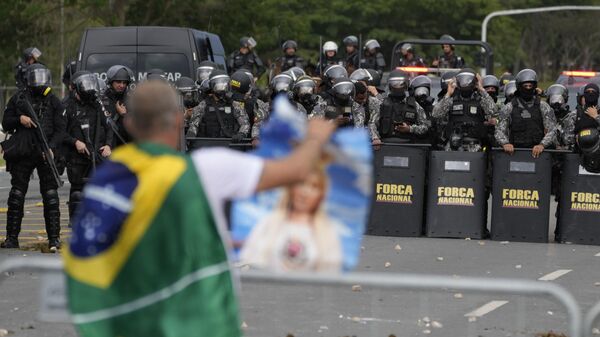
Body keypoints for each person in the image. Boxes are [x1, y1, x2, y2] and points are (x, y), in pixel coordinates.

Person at [63, 80, 337, 337]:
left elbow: (88, 256)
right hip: (196, 323)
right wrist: (315, 136)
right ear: (180, 118)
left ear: (130, 123)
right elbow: (296, 170)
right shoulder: (205, 168)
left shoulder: (109, 177)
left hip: (134, 321)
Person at [1, 64, 65, 250]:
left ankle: (54, 238)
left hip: (45, 151)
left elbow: (61, 129)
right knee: (16, 194)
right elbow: (6, 123)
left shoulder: (54, 101)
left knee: (51, 195)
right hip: (24, 151)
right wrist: (19, 119)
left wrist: (51, 148)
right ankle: (12, 238)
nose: (39, 82)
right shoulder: (19, 99)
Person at [240, 165, 342, 272]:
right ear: (291, 188)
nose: (305, 193)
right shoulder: (269, 222)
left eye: (314, 187)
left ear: (321, 196)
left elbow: (331, 274)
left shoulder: (327, 232)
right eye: (301, 184)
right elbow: (248, 262)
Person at [64, 72, 112, 224]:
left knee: (98, 189)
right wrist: (75, 142)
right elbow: (60, 133)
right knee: (77, 191)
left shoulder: (96, 104)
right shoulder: (67, 106)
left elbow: (109, 126)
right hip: (76, 155)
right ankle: (75, 221)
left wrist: (108, 145)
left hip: (95, 154)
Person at [432, 68, 497, 152]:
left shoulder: (480, 100)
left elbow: (493, 111)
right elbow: (436, 114)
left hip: (474, 145)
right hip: (453, 146)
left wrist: (482, 89)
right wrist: (448, 93)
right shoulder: (451, 100)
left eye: (468, 80)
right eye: (462, 80)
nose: (465, 83)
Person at [496, 69, 557, 158]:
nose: (528, 88)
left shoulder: (543, 106)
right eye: (525, 86)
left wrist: (542, 145)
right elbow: (499, 130)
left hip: (538, 153)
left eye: (530, 86)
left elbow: (552, 130)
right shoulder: (509, 107)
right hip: (514, 152)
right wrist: (505, 143)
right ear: (519, 86)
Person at [186, 69, 250, 142]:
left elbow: (245, 123)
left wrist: (241, 134)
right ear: (212, 86)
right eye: (219, 84)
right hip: (209, 146)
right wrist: (191, 135)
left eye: (224, 83)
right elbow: (194, 124)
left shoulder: (234, 104)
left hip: (229, 145)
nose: (222, 87)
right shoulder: (204, 104)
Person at [370, 69, 430, 145]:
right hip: (385, 145)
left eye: (401, 84)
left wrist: (410, 129)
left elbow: (426, 126)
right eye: (394, 84)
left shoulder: (414, 105)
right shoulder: (381, 104)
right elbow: (372, 123)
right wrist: (375, 138)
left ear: (406, 85)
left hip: (408, 146)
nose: (397, 87)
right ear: (390, 85)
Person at [102, 65, 135, 148]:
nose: (122, 85)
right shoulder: (101, 100)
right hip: (106, 148)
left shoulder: (130, 100)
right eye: (118, 82)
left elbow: (135, 128)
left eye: (124, 83)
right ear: (111, 82)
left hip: (124, 146)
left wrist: (124, 115)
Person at [560, 83, 600, 150]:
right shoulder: (575, 114)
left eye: (593, 92)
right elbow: (566, 138)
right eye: (588, 92)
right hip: (578, 154)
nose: (590, 94)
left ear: (598, 95)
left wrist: (596, 117)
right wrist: (577, 139)